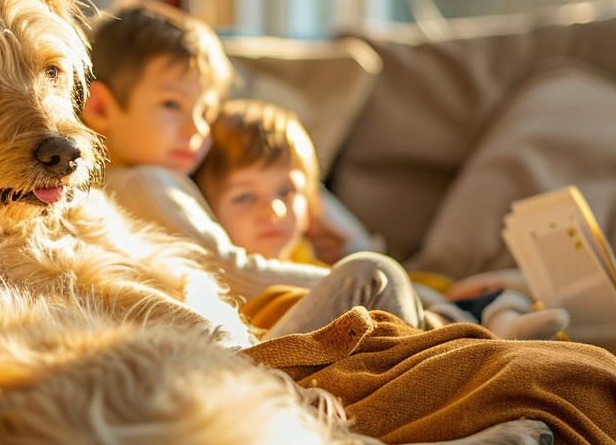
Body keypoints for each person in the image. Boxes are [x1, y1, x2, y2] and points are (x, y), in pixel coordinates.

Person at [82, 0, 558, 341]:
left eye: (206, 111)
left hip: (248, 332)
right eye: (171, 104)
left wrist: (318, 214)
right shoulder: (145, 180)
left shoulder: (153, 177)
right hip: (254, 346)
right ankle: (474, 329)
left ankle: (480, 319)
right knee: (373, 276)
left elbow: (289, 189)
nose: (196, 129)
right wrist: (371, 278)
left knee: (404, 280)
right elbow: (231, 271)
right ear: (100, 108)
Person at [191, 97, 568, 340]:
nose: (273, 210)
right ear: (208, 208)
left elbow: (392, 272)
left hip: (428, 307)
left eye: (286, 193)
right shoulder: (246, 275)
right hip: (376, 336)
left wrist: (323, 218)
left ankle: (508, 323)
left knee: (492, 296)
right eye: (243, 197)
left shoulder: (313, 251)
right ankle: (497, 328)